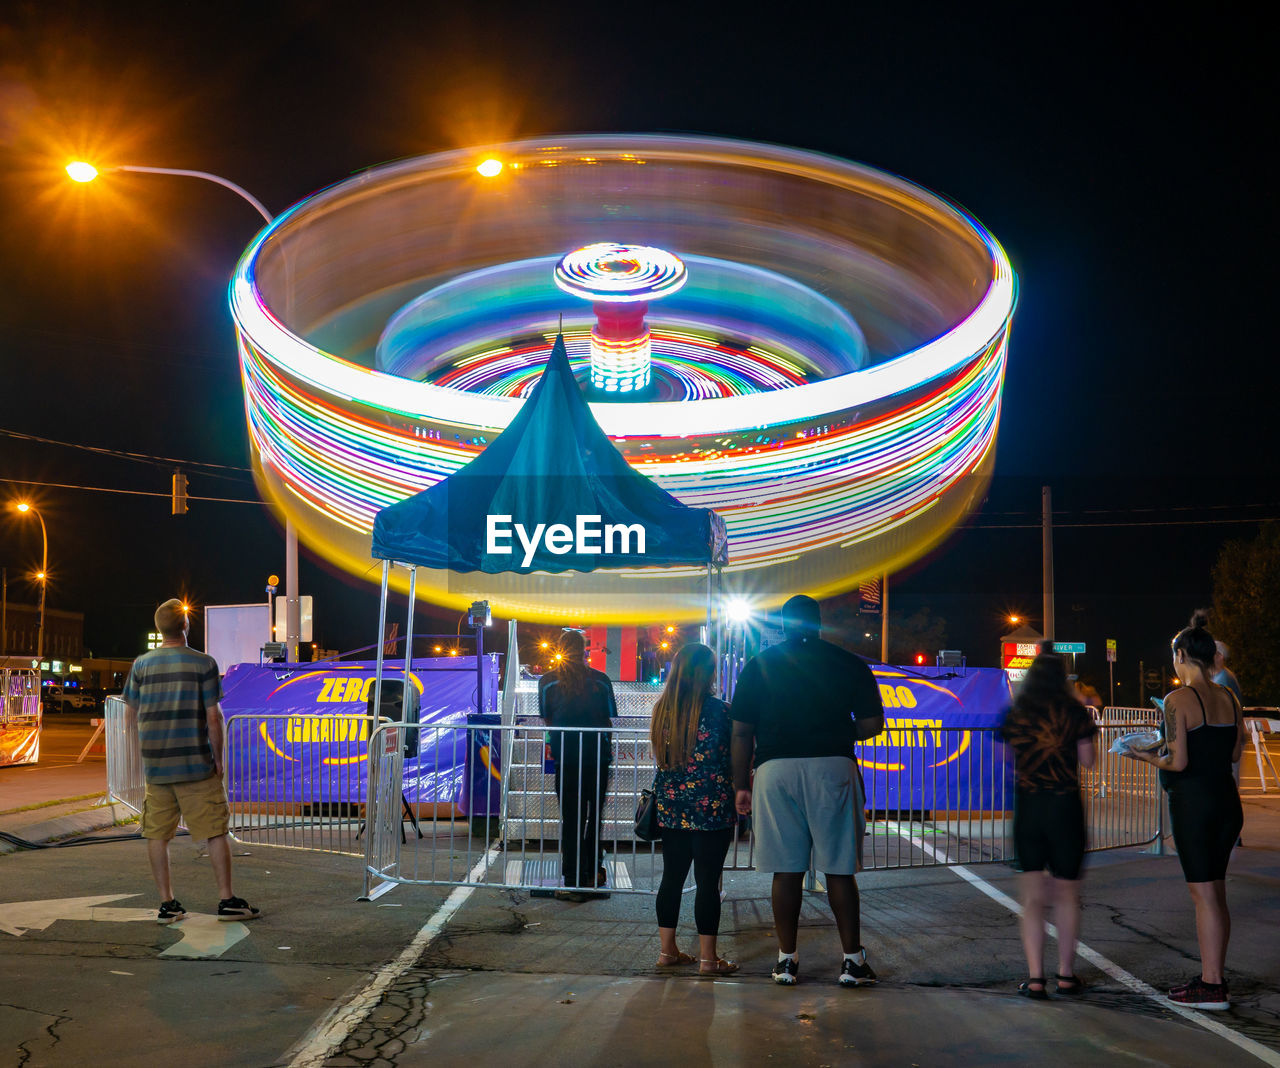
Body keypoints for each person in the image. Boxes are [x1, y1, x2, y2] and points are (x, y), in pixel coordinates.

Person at [731, 594, 884, 987]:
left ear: (781, 625)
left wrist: (740, 785)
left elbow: (741, 731)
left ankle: (786, 960)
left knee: (786, 870)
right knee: (839, 868)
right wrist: (834, 733)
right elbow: (871, 724)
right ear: (819, 622)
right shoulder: (848, 662)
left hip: (774, 769)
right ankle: (852, 961)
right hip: (833, 767)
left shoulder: (759, 665)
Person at [1124, 612, 1244, 1010]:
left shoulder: (1178, 700)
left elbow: (1176, 763)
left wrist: (1142, 755)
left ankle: (1211, 986)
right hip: (1227, 803)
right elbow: (1233, 751)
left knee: (1204, 896)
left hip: (1194, 806)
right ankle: (1215, 978)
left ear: (1180, 654)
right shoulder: (1228, 697)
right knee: (1216, 893)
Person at [122, 598, 260, 924]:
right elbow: (214, 717)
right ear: (184, 626)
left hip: (157, 768)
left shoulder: (141, 665)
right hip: (197, 765)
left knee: (157, 834)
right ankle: (227, 900)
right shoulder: (204, 664)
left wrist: (140, 756)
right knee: (215, 831)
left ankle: (167, 904)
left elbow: (128, 717)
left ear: (159, 629)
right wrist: (219, 759)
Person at [996, 652, 1097, 999]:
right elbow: (1089, 761)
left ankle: (1036, 978)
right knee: (1068, 894)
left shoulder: (1015, 713)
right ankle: (1066, 975)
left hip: (1030, 806)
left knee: (1033, 898)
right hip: (1066, 806)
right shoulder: (1075, 712)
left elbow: (1006, 760)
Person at [649, 643, 738, 976]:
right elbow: (733, 755)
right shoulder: (721, 711)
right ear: (708, 673)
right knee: (707, 882)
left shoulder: (662, 709)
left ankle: (667, 951)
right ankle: (707, 959)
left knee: (671, 878)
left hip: (671, 805)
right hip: (712, 808)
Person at [538, 629, 616, 901]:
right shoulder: (601, 681)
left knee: (571, 819)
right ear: (585, 650)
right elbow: (608, 718)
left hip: (567, 758)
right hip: (598, 757)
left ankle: (571, 878)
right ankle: (592, 873)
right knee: (594, 818)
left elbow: (547, 718)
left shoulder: (547, 682)